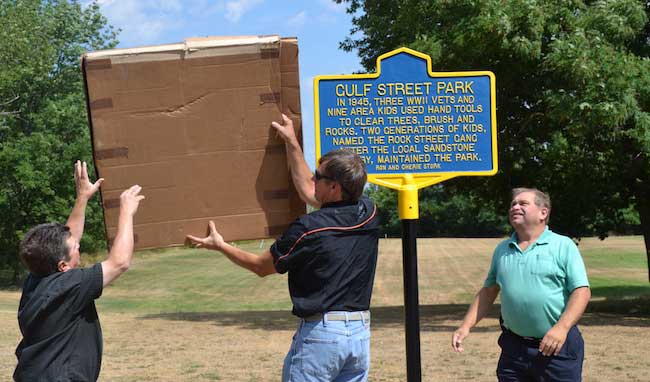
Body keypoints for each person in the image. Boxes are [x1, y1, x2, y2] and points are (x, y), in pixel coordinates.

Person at [186, 114, 380, 382]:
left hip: (322, 337)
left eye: (318, 176)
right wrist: (291, 142)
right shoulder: (368, 213)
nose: (313, 179)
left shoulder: (308, 229)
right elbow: (309, 193)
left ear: (334, 187)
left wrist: (220, 246)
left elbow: (260, 267)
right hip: (359, 336)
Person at [14, 160, 144, 381]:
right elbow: (119, 262)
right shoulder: (69, 286)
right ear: (62, 266)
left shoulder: (36, 279)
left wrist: (82, 196)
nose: (79, 245)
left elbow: (68, 238)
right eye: (75, 248)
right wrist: (126, 212)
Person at [451, 187, 591, 381]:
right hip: (513, 350)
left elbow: (581, 291)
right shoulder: (503, 249)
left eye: (523, 203)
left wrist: (562, 328)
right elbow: (489, 291)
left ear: (543, 213)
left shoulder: (563, 246)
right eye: (513, 204)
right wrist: (465, 326)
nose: (515, 207)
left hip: (557, 348)